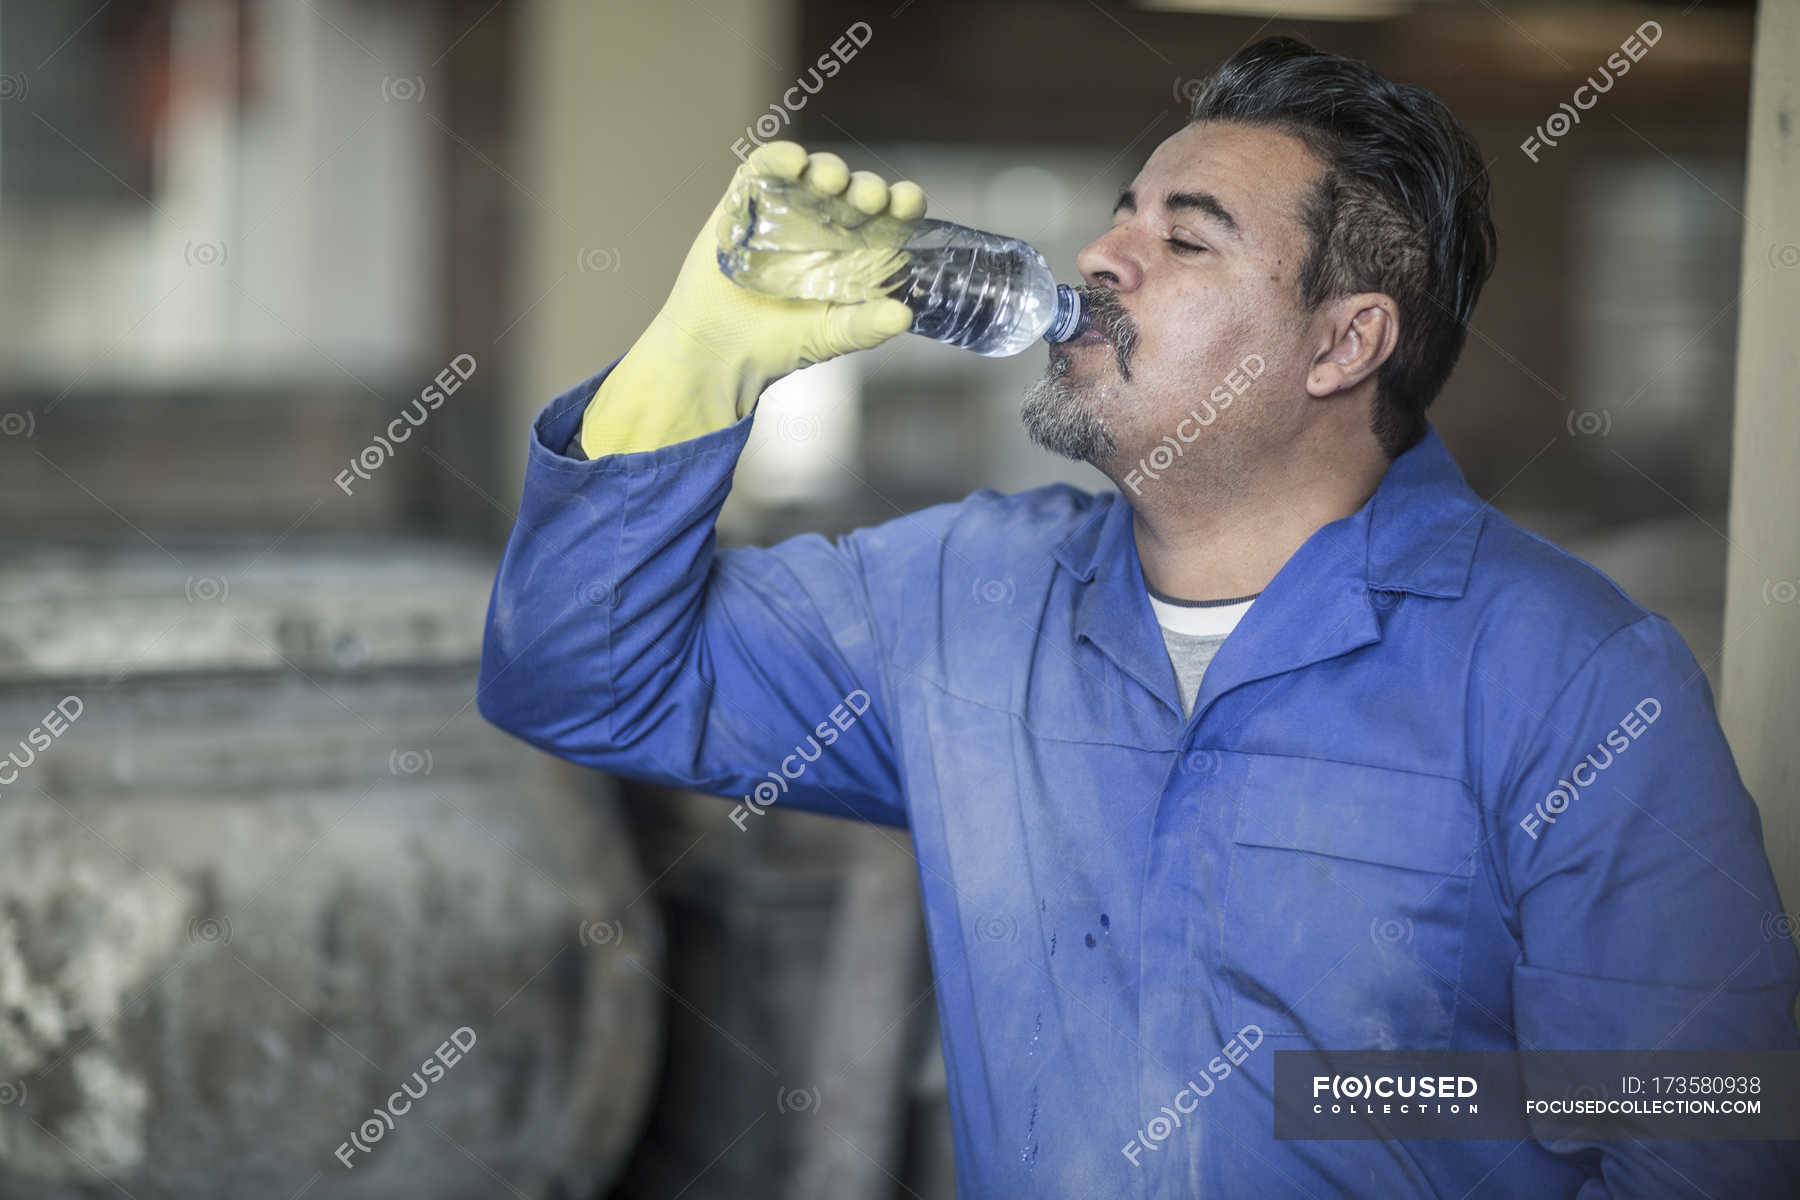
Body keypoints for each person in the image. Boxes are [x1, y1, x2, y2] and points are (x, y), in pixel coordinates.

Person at [479, 36, 1799, 1198]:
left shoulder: (1566, 675)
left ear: (1343, 346)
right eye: (1122, 213)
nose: (1101, 257)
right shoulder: (959, 604)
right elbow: (580, 679)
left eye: (1185, 235)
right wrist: (698, 356)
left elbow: (1707, 1130)